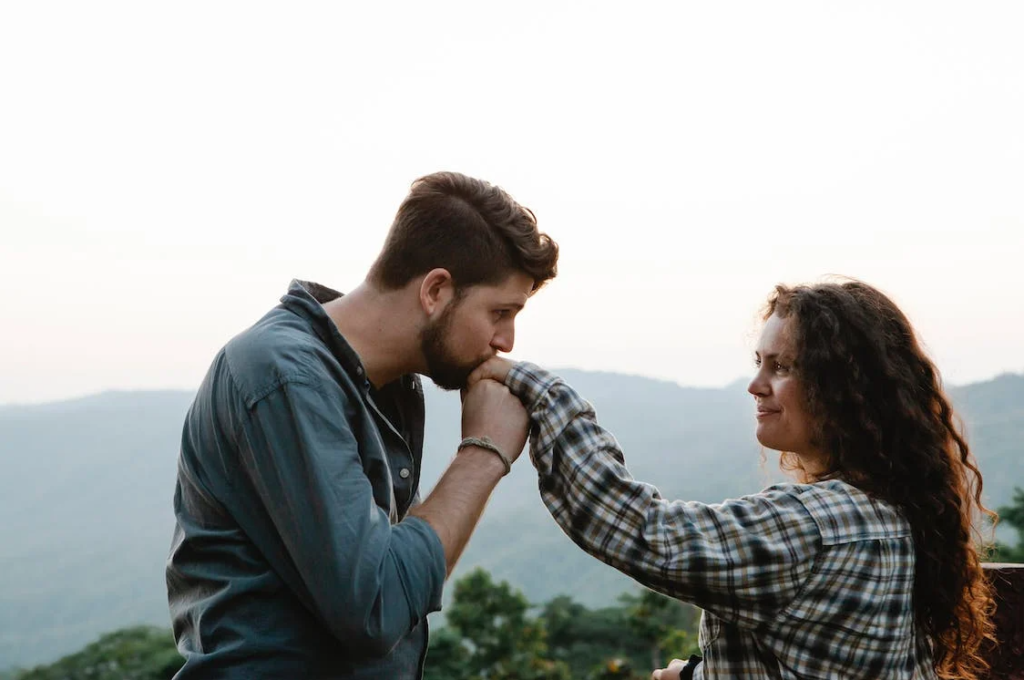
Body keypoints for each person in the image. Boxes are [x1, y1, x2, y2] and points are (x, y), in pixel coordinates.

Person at [469, 280, 995, 680]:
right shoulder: (892, 509)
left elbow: (643, 531)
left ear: (843, 390)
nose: (755, 385)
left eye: (781, 367)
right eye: (759, 362)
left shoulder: (818, 525)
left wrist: (538, 390)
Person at [165, 171, 557, 678]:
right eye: (500, 311)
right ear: (435, 290)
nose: (506, 340)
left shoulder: (390, 387)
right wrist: (483, 453)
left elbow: (392, 581)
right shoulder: (285, 376)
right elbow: (375, 607)